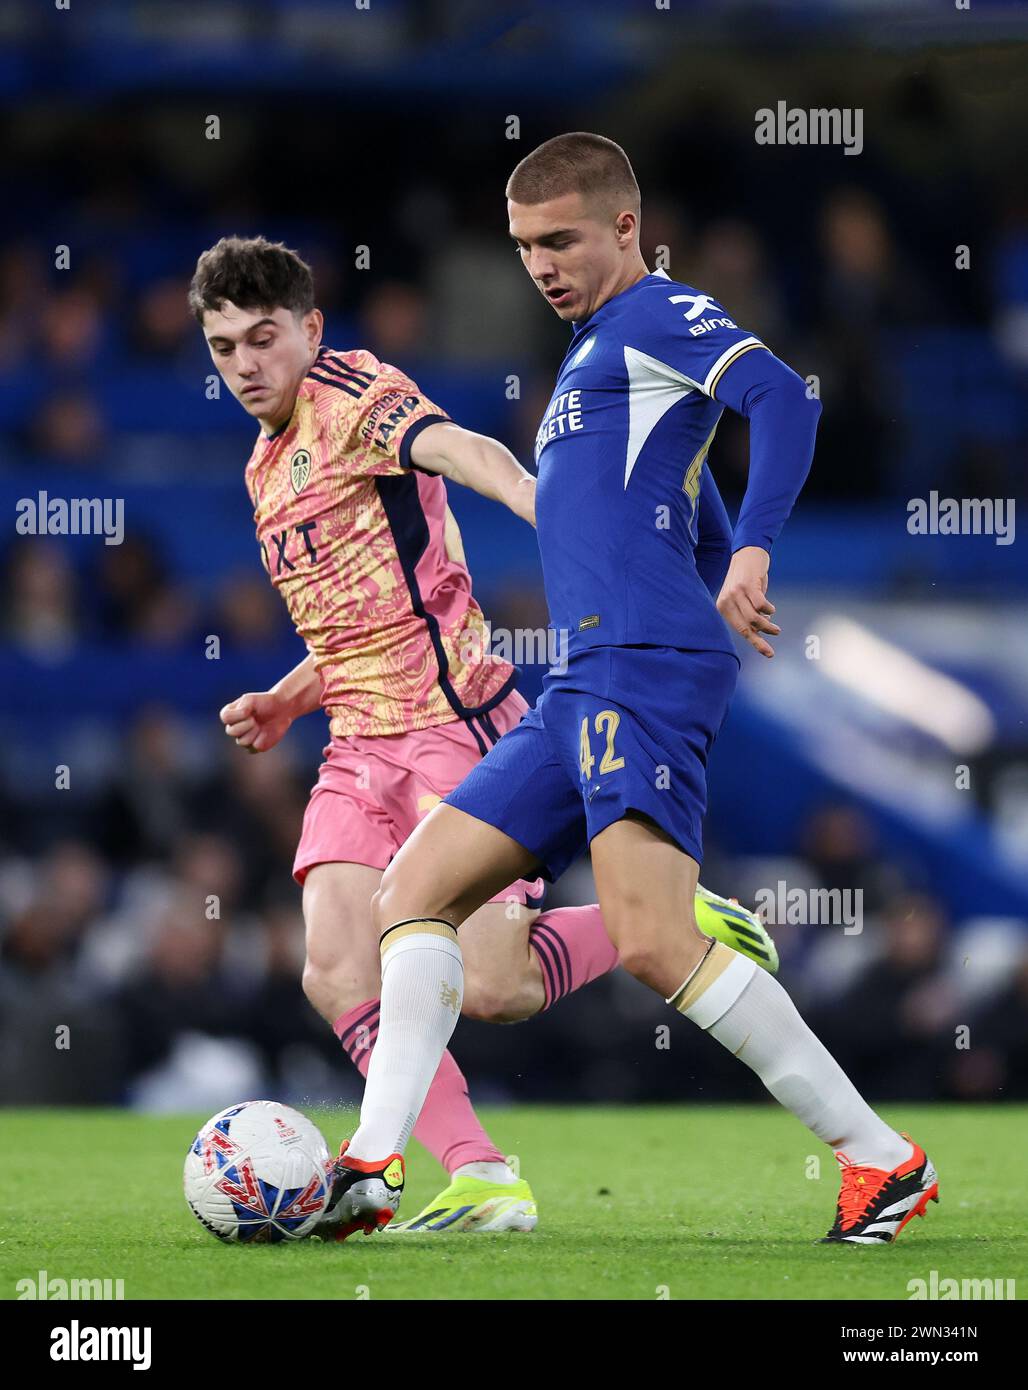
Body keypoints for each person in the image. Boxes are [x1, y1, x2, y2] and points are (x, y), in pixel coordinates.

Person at [327, 134, 939, 1246]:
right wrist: (712, 558)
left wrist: (753, 552)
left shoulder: (660, 312)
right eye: (522, 247)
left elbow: (779, 396)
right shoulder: (592, 352)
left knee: (652, 942)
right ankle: (372, 1164)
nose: (541, 264)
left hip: (638, 669)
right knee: (411, 893)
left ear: (624, 226)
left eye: (560, 238)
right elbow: (676, 501)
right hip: (582, 678)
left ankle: (880, 1159)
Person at [189, 234, 776, 1235]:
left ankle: (678, 912)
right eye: (223, 347)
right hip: (354, 744)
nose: (246, 364)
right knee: (334, 967)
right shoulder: (263, 463)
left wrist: (547, 505)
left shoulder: (353, 395)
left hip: (452, 722)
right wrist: (292, 696)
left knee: (498, 988)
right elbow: (358, 615)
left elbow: (467, 451)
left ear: (309, 330)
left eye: (263, 337)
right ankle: (480, 1173)